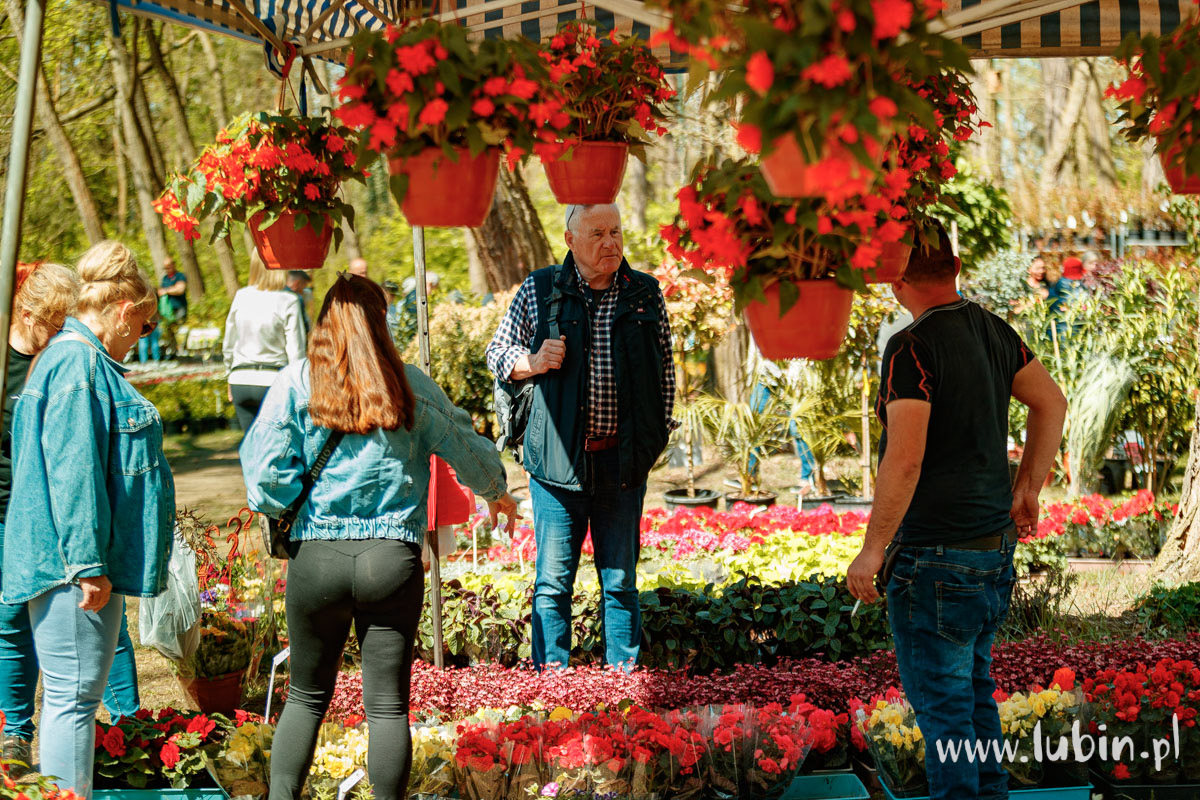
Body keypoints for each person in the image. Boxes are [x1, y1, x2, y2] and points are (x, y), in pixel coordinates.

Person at [240, 274, 517, 800]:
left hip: (315, 559)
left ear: (325, 326)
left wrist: (291, 504)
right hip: (391, 560)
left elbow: (266, 481)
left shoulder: (296, 383)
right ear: (382, 324)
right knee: (387, 704)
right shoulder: (410, 384)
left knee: (304, 698)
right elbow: (466, 446)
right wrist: (496, 490)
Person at [846, 224, 1067, 800]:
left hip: (934, 560)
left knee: (946, 718)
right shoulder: (994, 330)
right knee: (972, 701)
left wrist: (872, 550)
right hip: (991, 551)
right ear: (958, 263)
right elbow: (1052, 402)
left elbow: (904, 461)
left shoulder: (911, 347)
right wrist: (1028, 489)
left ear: (894, 276)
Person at [2, 241, 175, 799]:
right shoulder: (77, 362)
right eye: (145, 326)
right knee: (74, 699)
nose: (140, 337)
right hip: (68, 568)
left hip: (66, 563)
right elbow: (73, 473)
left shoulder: (72, 360)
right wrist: (87, 564)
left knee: (67, 697)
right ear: (126, 310)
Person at [486, 203, 676, 670]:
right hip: (555, 467)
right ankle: (553, 684)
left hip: (623, 463)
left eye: (616, 231)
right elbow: (496, 353)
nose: (610, 242)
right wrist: (532, 361)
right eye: (597, 233)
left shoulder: (644, 292)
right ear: (571, 240)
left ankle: (623, 680)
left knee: (621, 581)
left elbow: (666, 372)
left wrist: (653, 441)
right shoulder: (540, 288)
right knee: (552, 583)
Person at [223, 252, 307, 433]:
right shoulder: (288, 300)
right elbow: (296, 351)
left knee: (250, 446)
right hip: (273, 380)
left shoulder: (241, 296)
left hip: (241, 379)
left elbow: (229, 344)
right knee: (278, 447)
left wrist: (230, 375)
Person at [157, 256, 187, 359]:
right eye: (165, 268)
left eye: (169, 267)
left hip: (179, 307)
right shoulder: (165, 278)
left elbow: (180, 289)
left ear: (173, 265)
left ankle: (183, 351)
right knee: (170, 331)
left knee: (179, 329)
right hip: (168, 310)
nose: (167, 269)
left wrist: (167, 290)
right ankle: (174, 352)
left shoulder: (180, 276)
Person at [285, 270, 314, 335]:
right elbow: (305, 326)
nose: (303, 290)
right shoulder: (296, 299)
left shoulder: (275, 292)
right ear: (297, 283)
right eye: (304, 286)